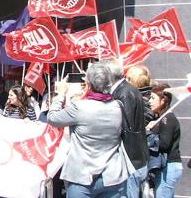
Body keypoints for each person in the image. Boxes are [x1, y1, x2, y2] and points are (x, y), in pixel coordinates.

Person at [48, 62, 132, 198]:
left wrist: (60, 94)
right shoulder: (118, 106)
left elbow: (52, 118)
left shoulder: (79, 107)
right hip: (112, 176)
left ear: (88, 84)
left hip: (82, 177)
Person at [107, 58, 149, 198]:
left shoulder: (124, 92)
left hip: (130, 160)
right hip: (134, 158)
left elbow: (125, 126)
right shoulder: (127, 90)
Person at [147, 85, 182, 198]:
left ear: (163, 100)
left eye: (153, 98)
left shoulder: (167, 118)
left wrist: (149, 133)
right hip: (167, 166)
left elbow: (164, 144)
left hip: (169, 166)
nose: (149, 101)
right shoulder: (161, 118)